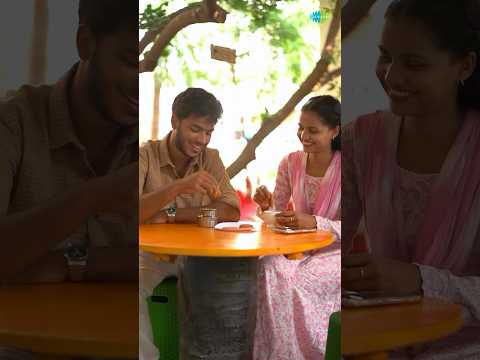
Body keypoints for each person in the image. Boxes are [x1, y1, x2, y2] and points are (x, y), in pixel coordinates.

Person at [0, 0, 138, 358]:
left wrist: (70, 263)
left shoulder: (153, 142)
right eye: (131, 60)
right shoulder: (14, 122)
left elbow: (171, 260)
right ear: (85, 43)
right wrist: (93, 197)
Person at [342, 0, 480, 357]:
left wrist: (419, 281)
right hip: (379, 347)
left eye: (414, 64)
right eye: (385, 56)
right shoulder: (362, 138)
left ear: (465, 65)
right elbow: (333, 235)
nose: (391, 76)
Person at [138, 87, 241, 360]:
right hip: (151, 255)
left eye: (208, 132)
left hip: (201, 256)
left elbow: (230, 210)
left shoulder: (211, 159)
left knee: (238, 288)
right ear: (174, 121)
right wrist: (178, 187)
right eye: (195, 129)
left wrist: (170, 214)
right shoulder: (144, 156)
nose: (202, 140)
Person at [253, 95, 341, 359]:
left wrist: (314, 222)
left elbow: (363, 228)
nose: (304, 135)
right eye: (301, 128)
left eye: (313, 130)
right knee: (268, 267)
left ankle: (312, 352)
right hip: (296, 248)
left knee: (300, 282)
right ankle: (279, 353)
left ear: (335, 131)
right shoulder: (290, 163)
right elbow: (276, 215)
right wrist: (267, 207)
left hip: (335, 251)